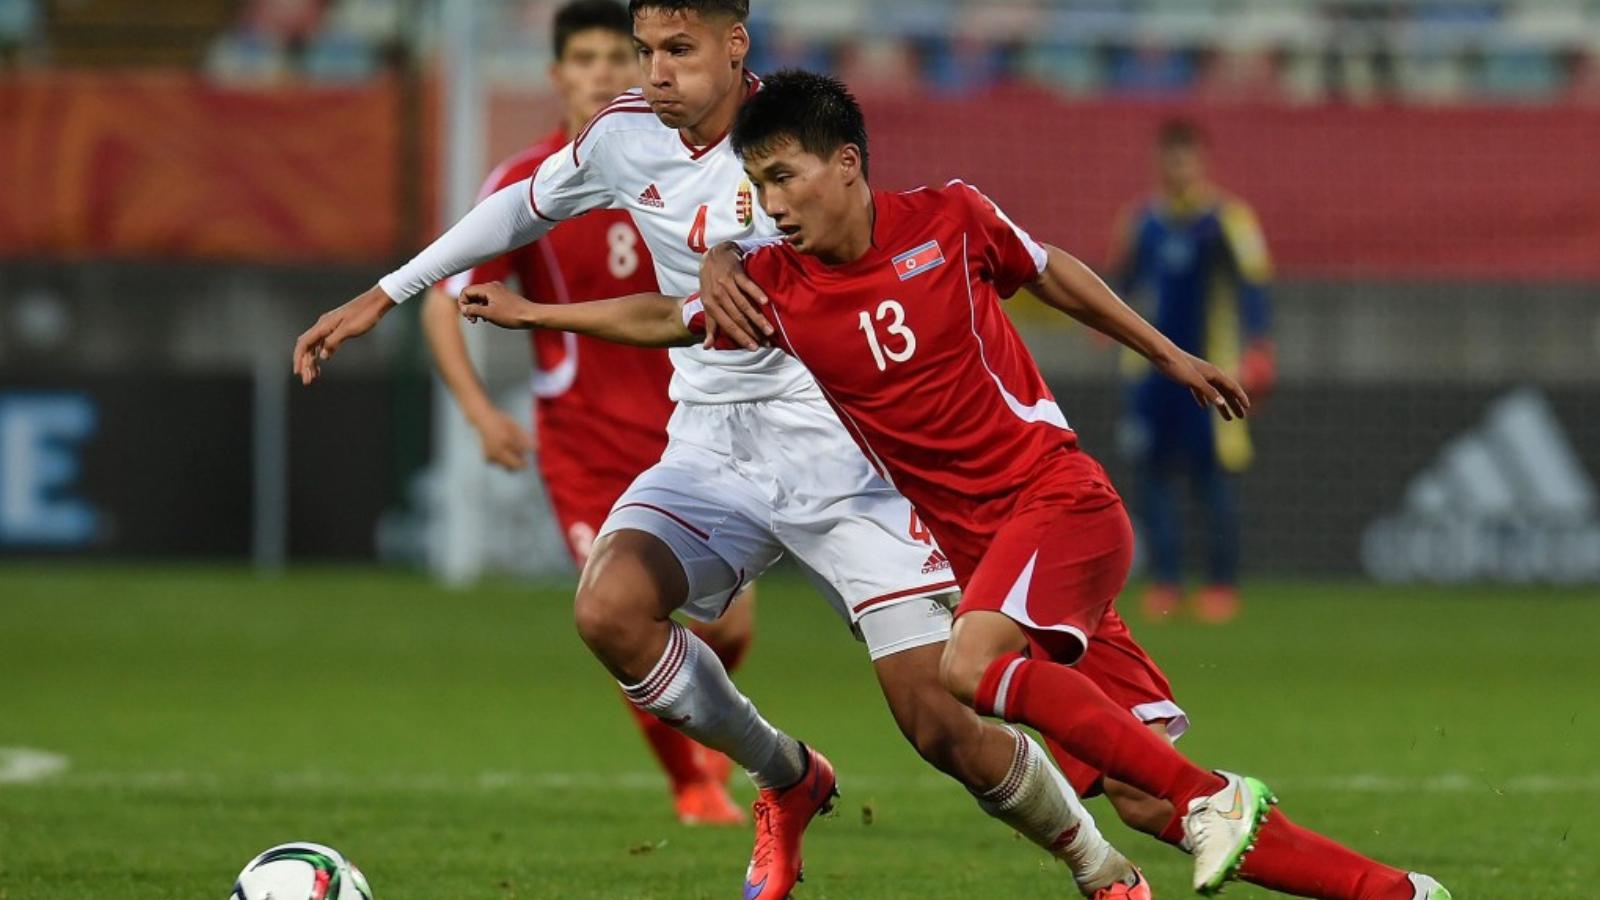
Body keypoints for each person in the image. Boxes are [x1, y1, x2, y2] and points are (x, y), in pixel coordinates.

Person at [456, 69, 1452, 900]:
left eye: (786, 176)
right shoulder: (787, 295)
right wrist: (541, 315)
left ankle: (1210, 797)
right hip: (987, 558)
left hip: (1056, 506)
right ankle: (1395, 892)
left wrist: (1171, 356)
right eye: (758, 183)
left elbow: (1056, 270)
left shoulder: (951, 219)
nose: (773, 202)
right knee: (1140, 803)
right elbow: (669, 318)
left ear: (846, 163)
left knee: (972, 672)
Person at [291, 4, 1146, 898]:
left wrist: (731, 246)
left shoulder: (795, 137)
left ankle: (1098, 865)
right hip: (715, 447)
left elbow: (846, 235)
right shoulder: (624, 135)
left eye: (678, 52)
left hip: (849, 455)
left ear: (736, 46)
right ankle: (785, 773)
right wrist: (385, 294)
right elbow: (521, 205)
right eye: (645, 52)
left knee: (940, 726)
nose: (655, 73)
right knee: (610, 610)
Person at [419, 0, 747, 827]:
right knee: (620, 612)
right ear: (558, 74)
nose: (607, 72)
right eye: (590, 58)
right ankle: (692, 786)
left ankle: (701, 721)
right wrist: (476, 411)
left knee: (732, 628)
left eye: (619, 57)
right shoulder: (530, 181)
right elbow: (444, 300)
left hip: (692, 429)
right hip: (588, 446)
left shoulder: (682, 162)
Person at [1109, 119, 1276, 624]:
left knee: (1214, 479)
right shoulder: (1142, 222)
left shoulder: (1227, 220)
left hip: (1212, 371)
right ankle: (1166, 581)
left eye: (1186, 158)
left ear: (1201, 161)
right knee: (1153, 477)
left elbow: (1254, 284)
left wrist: (1259, 346)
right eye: (1170, 158)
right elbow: (1121, 282)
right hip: (1149, 375)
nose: (1177, 168)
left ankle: (1222, 584)